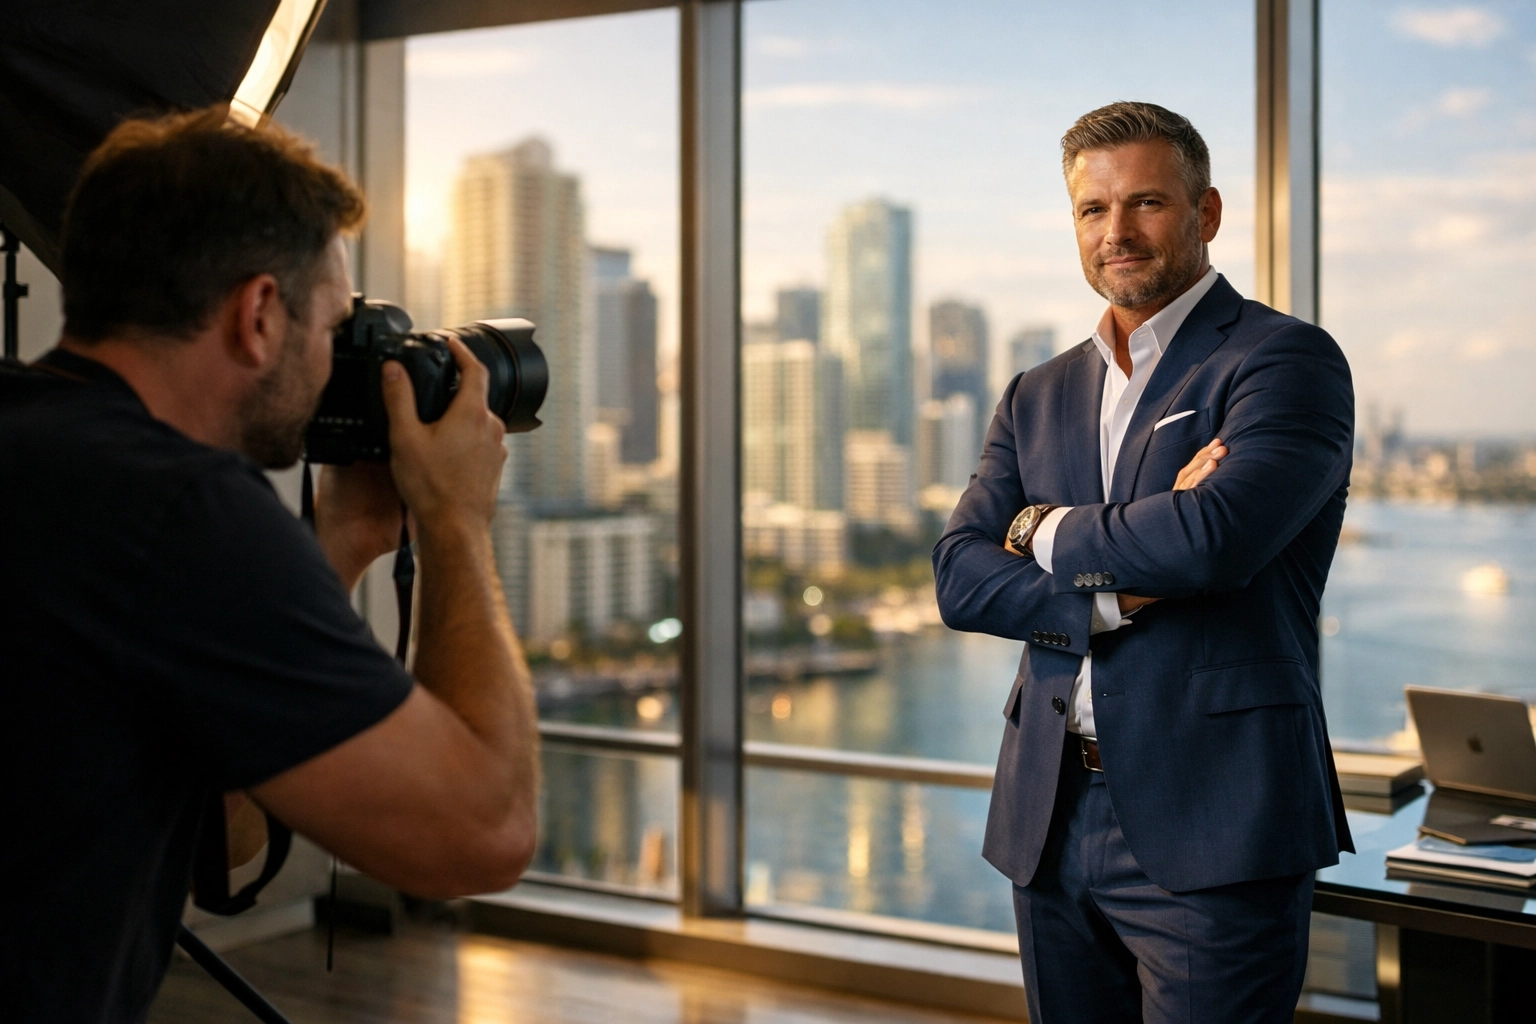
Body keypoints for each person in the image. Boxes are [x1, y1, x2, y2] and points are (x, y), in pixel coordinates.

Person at [0, 109, 539, 1021]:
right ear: (258, 314)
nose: (338, 361)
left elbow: (221, 841)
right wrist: (456, 522)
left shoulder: (45, 448)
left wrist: (340, 543)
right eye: (333, 325)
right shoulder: (178, 510)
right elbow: (485, 834)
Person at [933, 102, 1355, 1023]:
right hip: (1047, 810)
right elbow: (959, 576)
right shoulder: (1036, 393)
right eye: (1093, 210)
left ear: (1205, 213)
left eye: (1146, 204)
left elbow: (1214, 541)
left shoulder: (1283, 362)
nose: (1116, 232)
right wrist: (1114, 590)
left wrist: (1039, 528)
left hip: (1218, 817)